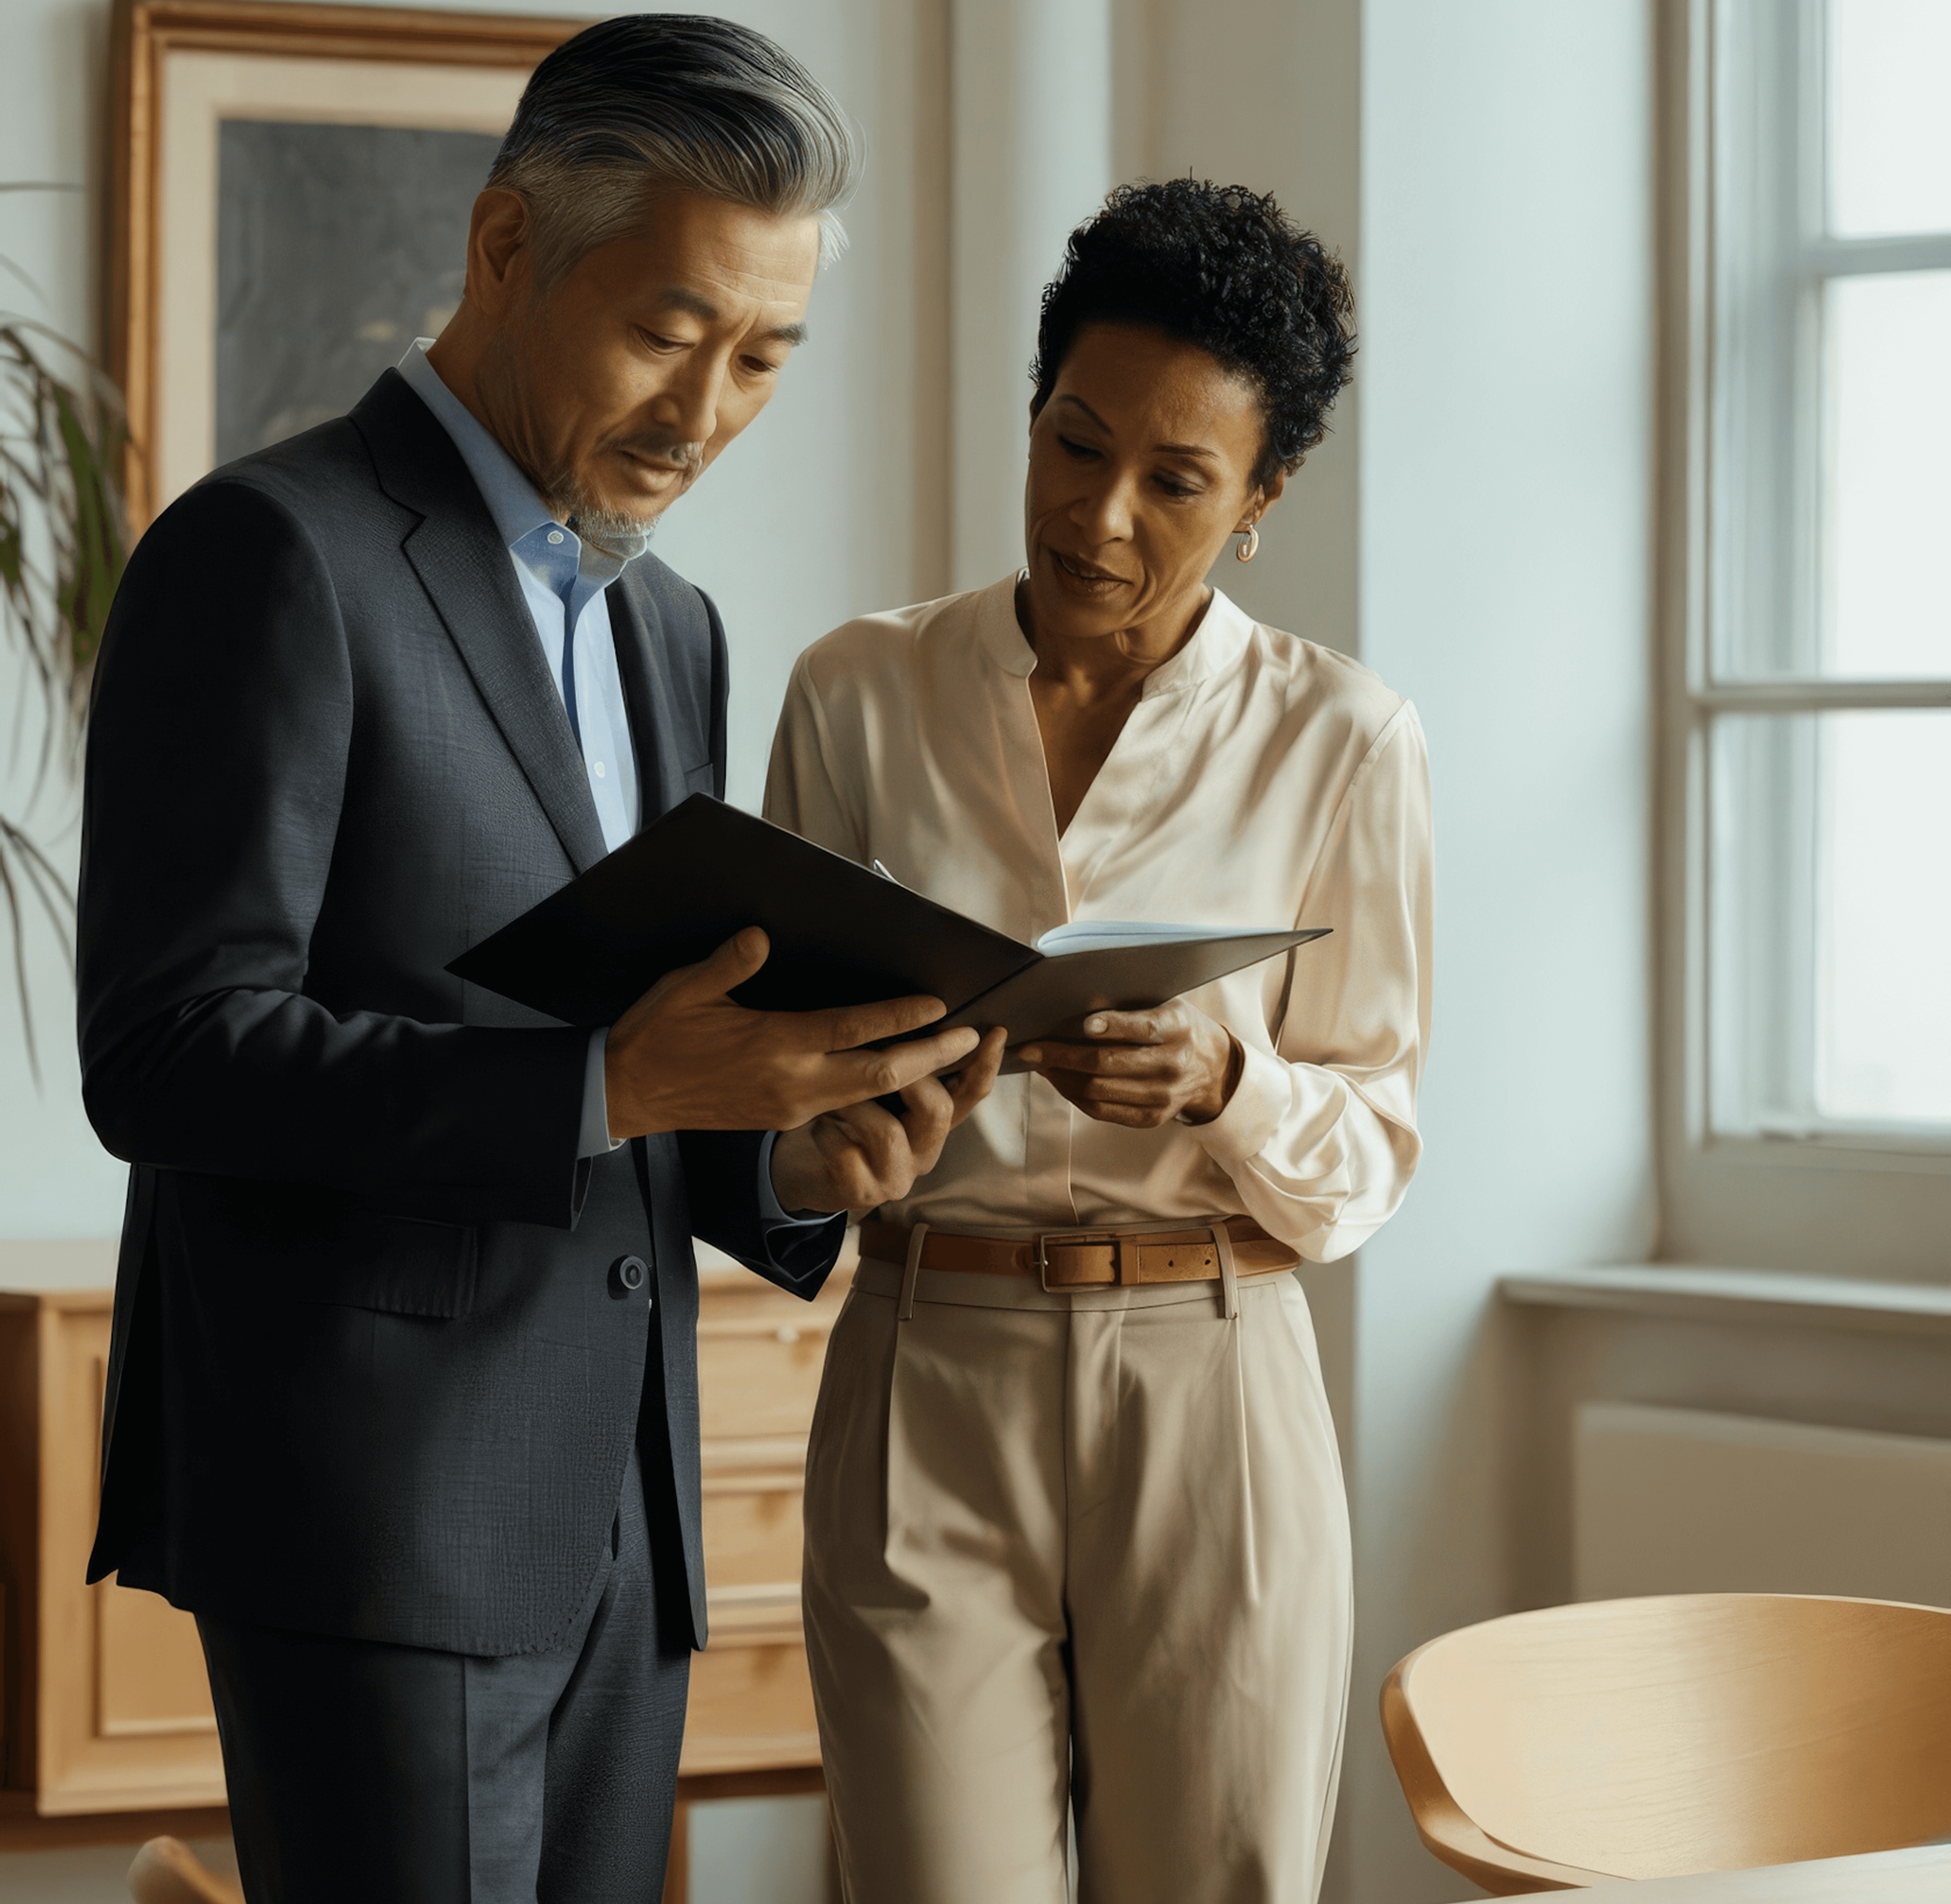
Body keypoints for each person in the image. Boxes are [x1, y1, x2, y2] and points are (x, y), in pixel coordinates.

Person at [76, 18, 1001, 1903]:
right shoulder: (269, 553)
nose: (707, 406)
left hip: (618, 1523)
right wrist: (616, 1085)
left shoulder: (673, 626)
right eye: (669, 330)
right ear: (507, 248)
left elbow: (642, 1035)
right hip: (374, 1517)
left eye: (765, 356)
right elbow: (168, 1050)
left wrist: (797, 1157)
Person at [766, 179, 1432, 1904]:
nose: (1101, 515)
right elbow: (770, 1094)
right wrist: (835, 1127)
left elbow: (1372, 1153)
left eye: (1176, 480)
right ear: (1038, 407)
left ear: (1262, 497)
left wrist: (1229, 1082)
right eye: (1075, 444)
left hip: (1210, 1380)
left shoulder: (1343, 738)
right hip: (927, 1361)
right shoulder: (856, 692)